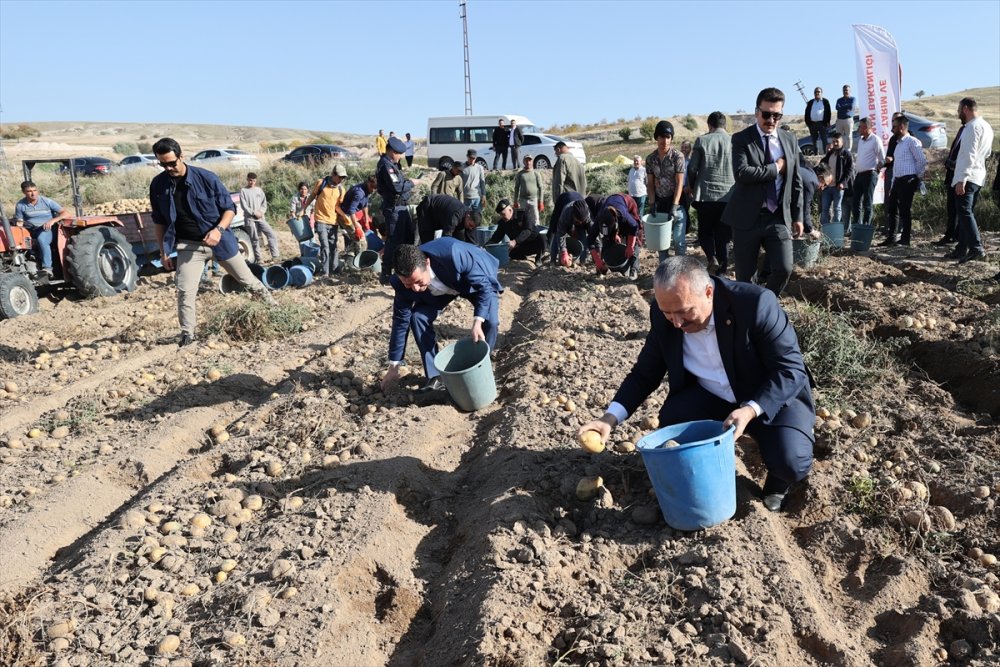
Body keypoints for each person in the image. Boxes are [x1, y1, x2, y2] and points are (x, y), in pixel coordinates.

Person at [578, 256, 815, 512]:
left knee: (791, 461)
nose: (676, 323)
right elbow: (645, 373)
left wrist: (750, 409)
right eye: (668, 313)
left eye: (683, 312)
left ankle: (777, 484)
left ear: (709, 293)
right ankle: (708, 471)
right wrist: (608, 419)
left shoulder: (755, 304)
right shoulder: (664, 315)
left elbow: (790, 370)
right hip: (713, 396)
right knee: (673, 421)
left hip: (767, 396)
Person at [149, 138, 273, 347]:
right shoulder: (158, 185)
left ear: (181, 157)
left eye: (172, 163)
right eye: (163, 164)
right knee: (185, 290)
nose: (168, 168)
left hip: (220, 241)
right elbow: (160, 221)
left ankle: (276, 310)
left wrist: (218, 230)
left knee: (247, 280)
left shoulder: (206, 178)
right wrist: (163, 251)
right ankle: (188, 335)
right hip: (189, 246)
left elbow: (229, 209)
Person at [380, 239, 501, 393]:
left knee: (490, 322)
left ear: (427, 264)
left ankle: (482, 366)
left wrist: (477, 322)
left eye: (418, 281)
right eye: (408, 284)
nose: (415, 289)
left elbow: (484, 288)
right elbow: (400, 322)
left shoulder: (454, 255)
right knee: (418, 317)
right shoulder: (400, 283)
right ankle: (436, 376)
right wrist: (393, 367)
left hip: (469, 280)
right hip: (439, 291)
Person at [722, 87, 803, 297]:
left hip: (777, 216)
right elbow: (742, 173)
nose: (771, 120)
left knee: (784, 268)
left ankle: (766, 303)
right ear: (757, 112)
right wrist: (776, 168)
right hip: (747, 218)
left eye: (777, 115)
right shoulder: (741, 139)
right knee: (745, 278)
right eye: (767, 114)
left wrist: (798, 216)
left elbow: (796, 180)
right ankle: (749, 313)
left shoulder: (789, 140)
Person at [687, 111, 735, 275]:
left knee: (705, 232)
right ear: (725, 126)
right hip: (728, 197)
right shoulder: (734, 142)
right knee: (724, 237)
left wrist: (692, 186)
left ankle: (711, 257)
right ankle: (722, 272)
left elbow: (692, 168)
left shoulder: (703, 140)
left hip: (706, 195)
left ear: (709, 125)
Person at [950, 97, 994, 264]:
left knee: (965, 212)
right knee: (965, 213)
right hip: (978, 176)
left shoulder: (972, 128)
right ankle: (961, 248)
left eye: (959, 109)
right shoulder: (986, 127)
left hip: (967, 177)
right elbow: (987, 154)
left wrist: (962, 178)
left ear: (966, 109)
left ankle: (976, 248)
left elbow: (969, 155)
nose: (957, 112)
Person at [878, 115, 926, 247]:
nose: (891, 130)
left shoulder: (912, 141)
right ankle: (892, 237)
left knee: (905, 210)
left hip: (908, 179)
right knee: (892, 209)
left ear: (901, 127)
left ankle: (905, 239)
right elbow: (897, 165)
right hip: (897, 180)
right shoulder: (898, 144)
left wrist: (917, 177)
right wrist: (893, 183)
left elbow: (921, 160)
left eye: (894, 127)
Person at [646, 120, 687, 261]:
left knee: (678, 242)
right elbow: (650, 184)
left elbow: (679, 182)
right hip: (660, 204)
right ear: (656, 138)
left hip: (677, 204)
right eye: (662, 136)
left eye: (668, 137)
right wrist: (651, 204)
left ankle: (680, 274)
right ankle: (664, 276)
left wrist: (675, 206)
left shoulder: (677, 157)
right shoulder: (651, 159)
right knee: (662, 244)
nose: (665, 140)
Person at [376, 136, 416, 278]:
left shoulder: (392, 164)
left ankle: (403, 269)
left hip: (401, 207)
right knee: (394, 241)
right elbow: (397, 187)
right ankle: (386, 272)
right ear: (392, 151)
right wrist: (412, 183)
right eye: (399, 154)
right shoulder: (386, 165)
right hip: (394, 208)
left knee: (407, 239)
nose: (400, 157)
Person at [13, 181, 70, 279]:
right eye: (29, 191)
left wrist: (52, 221)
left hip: (47, 229)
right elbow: (20, 222)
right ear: (24, 192)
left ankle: (47, 268)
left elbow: (66, 213)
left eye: (35, 190)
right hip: (30, 229)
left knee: (42, 240)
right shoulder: (21, 205)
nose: (33, 193)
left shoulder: (46, 201)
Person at [303, 164, 352, 277]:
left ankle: (334, 269)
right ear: (333, 174)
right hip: (320, 220)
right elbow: (312, 196)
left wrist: (344, 217)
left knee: (333, 246)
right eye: (340, 177)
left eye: (343, 177)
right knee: (325, 246)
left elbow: (337, 207)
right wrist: (303, 208)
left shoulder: (341, 189)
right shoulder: (321, 183)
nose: (341, 179)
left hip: (333, 222)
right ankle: (325, 272)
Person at [588, 193, 641, 279]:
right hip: (611, 211)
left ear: (615, 223)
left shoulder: (623, 216)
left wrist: (630, 245)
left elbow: (634, 227)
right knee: (607, 239)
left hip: (628, 203)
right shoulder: (599, 219)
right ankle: (601, 268)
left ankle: (633, 270)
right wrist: (597, 260)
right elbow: (590, 239)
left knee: (634, 242)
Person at [850, 118, 886, 233]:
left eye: (860, 127)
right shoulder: (861, 140)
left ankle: (866, 228)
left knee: (867, 202)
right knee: (855, 202)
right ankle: (857, 227)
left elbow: (882, 158)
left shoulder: (875, 140)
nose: (858, 129)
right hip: (859, 174)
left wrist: (876, 170)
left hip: (870, 174)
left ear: (866, 128)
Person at [818, 131, 854, 234]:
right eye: (833, 141)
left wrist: (843, 182)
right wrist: (822, 182)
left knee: (837, 209)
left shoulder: (846, 154)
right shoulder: (830, 153)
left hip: (838, 187)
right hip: (827, 186)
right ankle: (825, 231)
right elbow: (822, 165)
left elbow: (849, 170)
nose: (835, 143)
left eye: (837, 141)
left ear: (842, 142)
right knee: (825, 209)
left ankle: (835, 231)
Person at [489, 198, 545, 263]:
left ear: (510, 210)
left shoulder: (523, 214)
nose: (502, 217)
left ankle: (539, 258)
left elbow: (528, 230)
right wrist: (486, 246)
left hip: (534, 243)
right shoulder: (503, 223)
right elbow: (496, 237)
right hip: (521, 247)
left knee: (542, 238)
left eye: (503, 214)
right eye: (500, 215)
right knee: (510, 252)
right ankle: (523, 259)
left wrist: (515, 241)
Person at [239, 173, 279, 263]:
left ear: (256, 181)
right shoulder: (243, 191)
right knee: (254, 239)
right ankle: (259, 258)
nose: (251, 182)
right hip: (250, 218)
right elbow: (244, 206)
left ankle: (275, 256)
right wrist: (253, 213)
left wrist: (261, 212)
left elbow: (264, 204)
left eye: (253, 181)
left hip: (260, 217)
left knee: (271, 234)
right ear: (247, 180)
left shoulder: (259, 190)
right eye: (250, 180)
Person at [549, 192, 590, 266]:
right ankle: (553, 260)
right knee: (556, 230)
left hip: (578, 199)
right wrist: (563, 252)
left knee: (582, 234)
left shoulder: (587, 215)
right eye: (578, 221)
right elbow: (560, 233)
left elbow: (593, 234)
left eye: (581, 222)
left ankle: (582, 261)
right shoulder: (566, 213)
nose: (579, 223)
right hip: (563, 201)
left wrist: (597, 251)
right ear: (573, 215)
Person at [513, 154, 544, 229]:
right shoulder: (520, 174)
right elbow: (517, 187)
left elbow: (541, 187)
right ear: (524, 162)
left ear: (532, 161)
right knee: (523, 218)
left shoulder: (536, 173)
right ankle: (525, 234)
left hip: (534, 199)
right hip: (523, 200)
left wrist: (541, 201)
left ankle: (536, 234)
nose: (528, 162)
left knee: (535, 218)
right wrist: (515, 201)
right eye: (526, 160)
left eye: (529, 160)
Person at [804, 87, 831, 154]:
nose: (817, 93)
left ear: (821, 93)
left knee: (824, 139)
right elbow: (806, 112)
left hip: (822, 124)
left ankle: (826, 154)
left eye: (818, 92)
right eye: (816, 92)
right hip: (812, 124)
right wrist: (808, 122)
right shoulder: (810, 102)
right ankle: (816, 154)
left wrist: (827, 122)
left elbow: (828, 112)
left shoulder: (825, 101)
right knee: (814, 140)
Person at [835, 85, 856, 152]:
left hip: (848, 119)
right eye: (844, 90)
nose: (845, 92)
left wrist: (842, 107)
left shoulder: (853, 99)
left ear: (850, 91)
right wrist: (845, 107)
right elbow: (837, 108)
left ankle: (848, 150)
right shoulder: (839, 100)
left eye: (846, 90)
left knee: (849, 136)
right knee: (838, 136)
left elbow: (851, 106)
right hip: (840, 120)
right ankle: (839, 149)